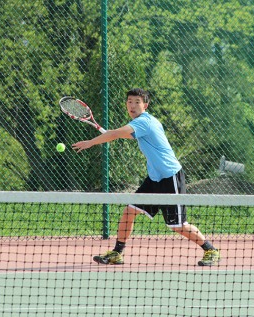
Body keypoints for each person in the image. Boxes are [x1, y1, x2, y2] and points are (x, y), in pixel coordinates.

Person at [72, 88, 220, 266]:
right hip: (154, 178)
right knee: (130, 211)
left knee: (178, 225)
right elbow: (122, 135)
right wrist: (113, 134)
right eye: (129, 102)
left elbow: (115, 134)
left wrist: (91, 142)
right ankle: (117, 253)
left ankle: (210, 249)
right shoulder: (144, 123)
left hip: (169, 176)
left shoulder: (145, 122)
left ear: (145, 105)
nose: (132, 106)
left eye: (137, 102)